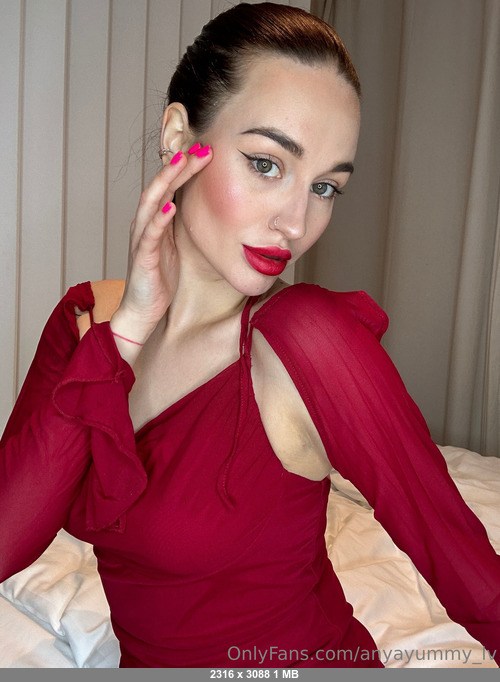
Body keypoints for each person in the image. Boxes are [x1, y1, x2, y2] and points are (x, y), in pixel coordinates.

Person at [1, 2, 499, 669]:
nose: (296, 222)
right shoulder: (87, 323)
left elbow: (468, 570)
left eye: (325, 187)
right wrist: (130, 330)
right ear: (179, 138)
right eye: (267, 164)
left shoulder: (308, 341)